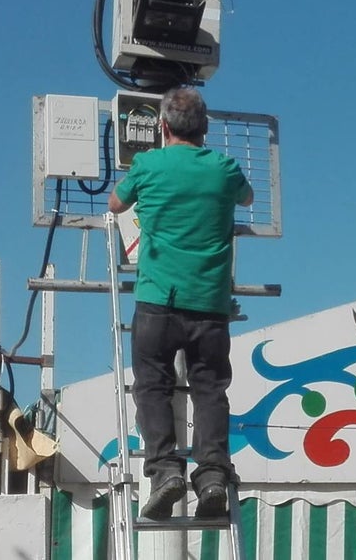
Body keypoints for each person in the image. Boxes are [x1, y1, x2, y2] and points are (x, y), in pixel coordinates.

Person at [108, 86, 253, 519]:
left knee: (152, 386)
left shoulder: (148, 163)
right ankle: (211, 473)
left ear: (162, 125)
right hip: (209, 303)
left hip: (157, 300)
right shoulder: (225, 168)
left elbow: (116, 202)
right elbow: (246, 197)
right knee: (210, 389)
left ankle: (165, 469)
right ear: (206, 128)